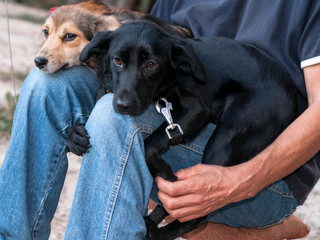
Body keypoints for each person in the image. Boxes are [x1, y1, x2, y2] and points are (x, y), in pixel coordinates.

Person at [0, 0, 319, 239]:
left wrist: (240, 181)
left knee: (116, 118)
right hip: (182, 117)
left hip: (262, 169)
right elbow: (143, 53)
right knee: (47, 86)